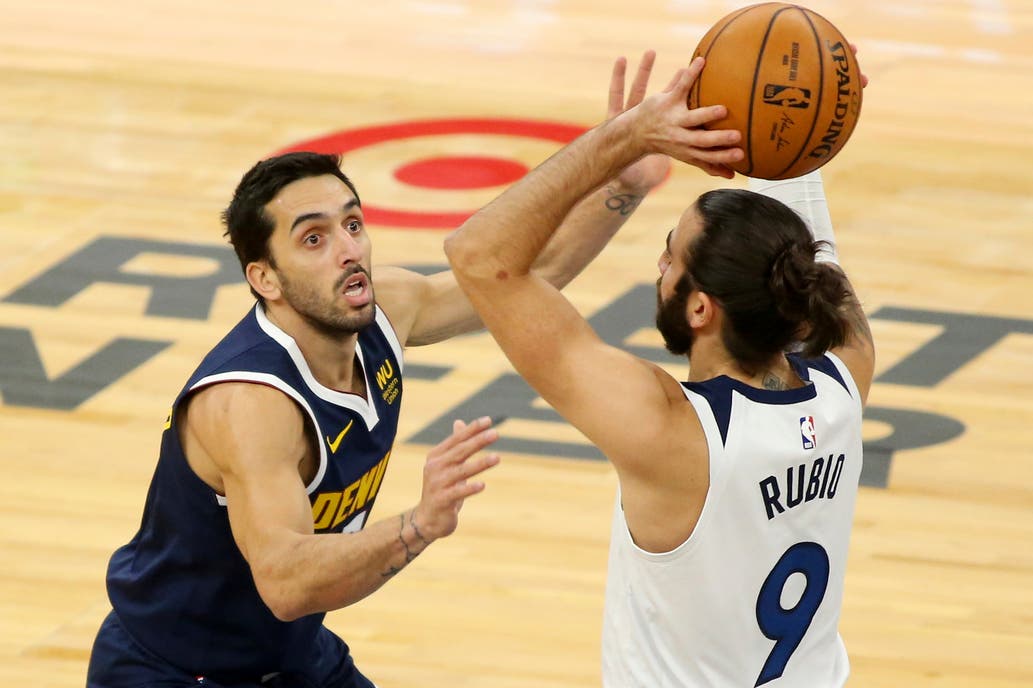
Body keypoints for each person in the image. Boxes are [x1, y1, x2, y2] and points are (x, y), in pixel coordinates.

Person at [85, 56, 689, 688]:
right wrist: (419, 523)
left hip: (290, 657)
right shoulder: (251, 403)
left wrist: (621, 184)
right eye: (313, 239)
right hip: (175, 672)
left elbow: (527, 279)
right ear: (264, 279)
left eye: (351, 224)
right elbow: (287, 582)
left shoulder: (386, 310)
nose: (349, 248)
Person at [444, 53, 874, 687]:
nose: (659, 266)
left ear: (699, 306)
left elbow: (478, 255)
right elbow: (806, 254)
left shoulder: (673, 432)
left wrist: (622, 140)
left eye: (669, 257)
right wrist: (804, 126)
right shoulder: (845, 380)